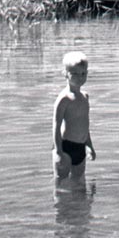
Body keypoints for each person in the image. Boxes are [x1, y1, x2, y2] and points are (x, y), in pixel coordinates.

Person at [52, 50, 96, 180]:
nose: (80, 77)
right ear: (65, 74)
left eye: (83, 73)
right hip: (65, 147)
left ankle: (82, 201)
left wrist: (90, 146)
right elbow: (56, 125)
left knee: (79, 183)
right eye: (75, 74)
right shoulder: (64, 99)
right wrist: (59, 152)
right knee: (60, 184)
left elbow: (84, 125)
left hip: (80, 147)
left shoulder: (85, 97)